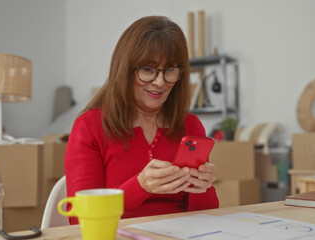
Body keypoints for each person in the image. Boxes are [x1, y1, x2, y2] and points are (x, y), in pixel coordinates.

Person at [65, 16, 219, 224]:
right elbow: (79, 220)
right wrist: (140, 187)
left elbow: (206, 217)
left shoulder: (190, 125)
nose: (160, 82)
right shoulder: (89, 127)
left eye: (170, 71)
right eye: (148, 69)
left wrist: (204, 186)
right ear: (125, 70)